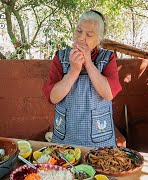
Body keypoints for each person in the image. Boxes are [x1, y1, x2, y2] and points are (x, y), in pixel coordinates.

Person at [43, 10, 122, 148]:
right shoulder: (61, 57)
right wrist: (74, 71)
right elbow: (53, 97)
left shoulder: (107, 58)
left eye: (89, 35)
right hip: (66, 137)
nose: (81, 38)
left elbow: (108, 94)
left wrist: (88, 63)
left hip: (99, 139)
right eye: (78, 31)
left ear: (99, 40)